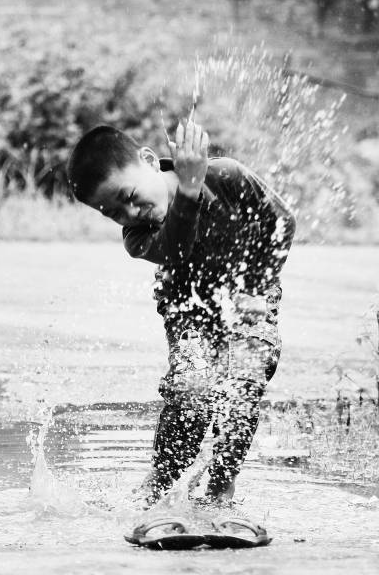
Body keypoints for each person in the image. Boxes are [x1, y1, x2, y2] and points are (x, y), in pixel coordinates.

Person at [67, 120, 296, 507]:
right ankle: (160, 481)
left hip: (251, 299)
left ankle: (221, 487)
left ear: (149, 160)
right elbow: (174, 248)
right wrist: (188, 190)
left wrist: (257, 285)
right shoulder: (137, 238)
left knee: (243, 385)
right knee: (191, 389)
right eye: (114, 213)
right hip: (189, 311)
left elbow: (281, 222)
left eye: (129, 195)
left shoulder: (226, 176)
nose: (131, 212)